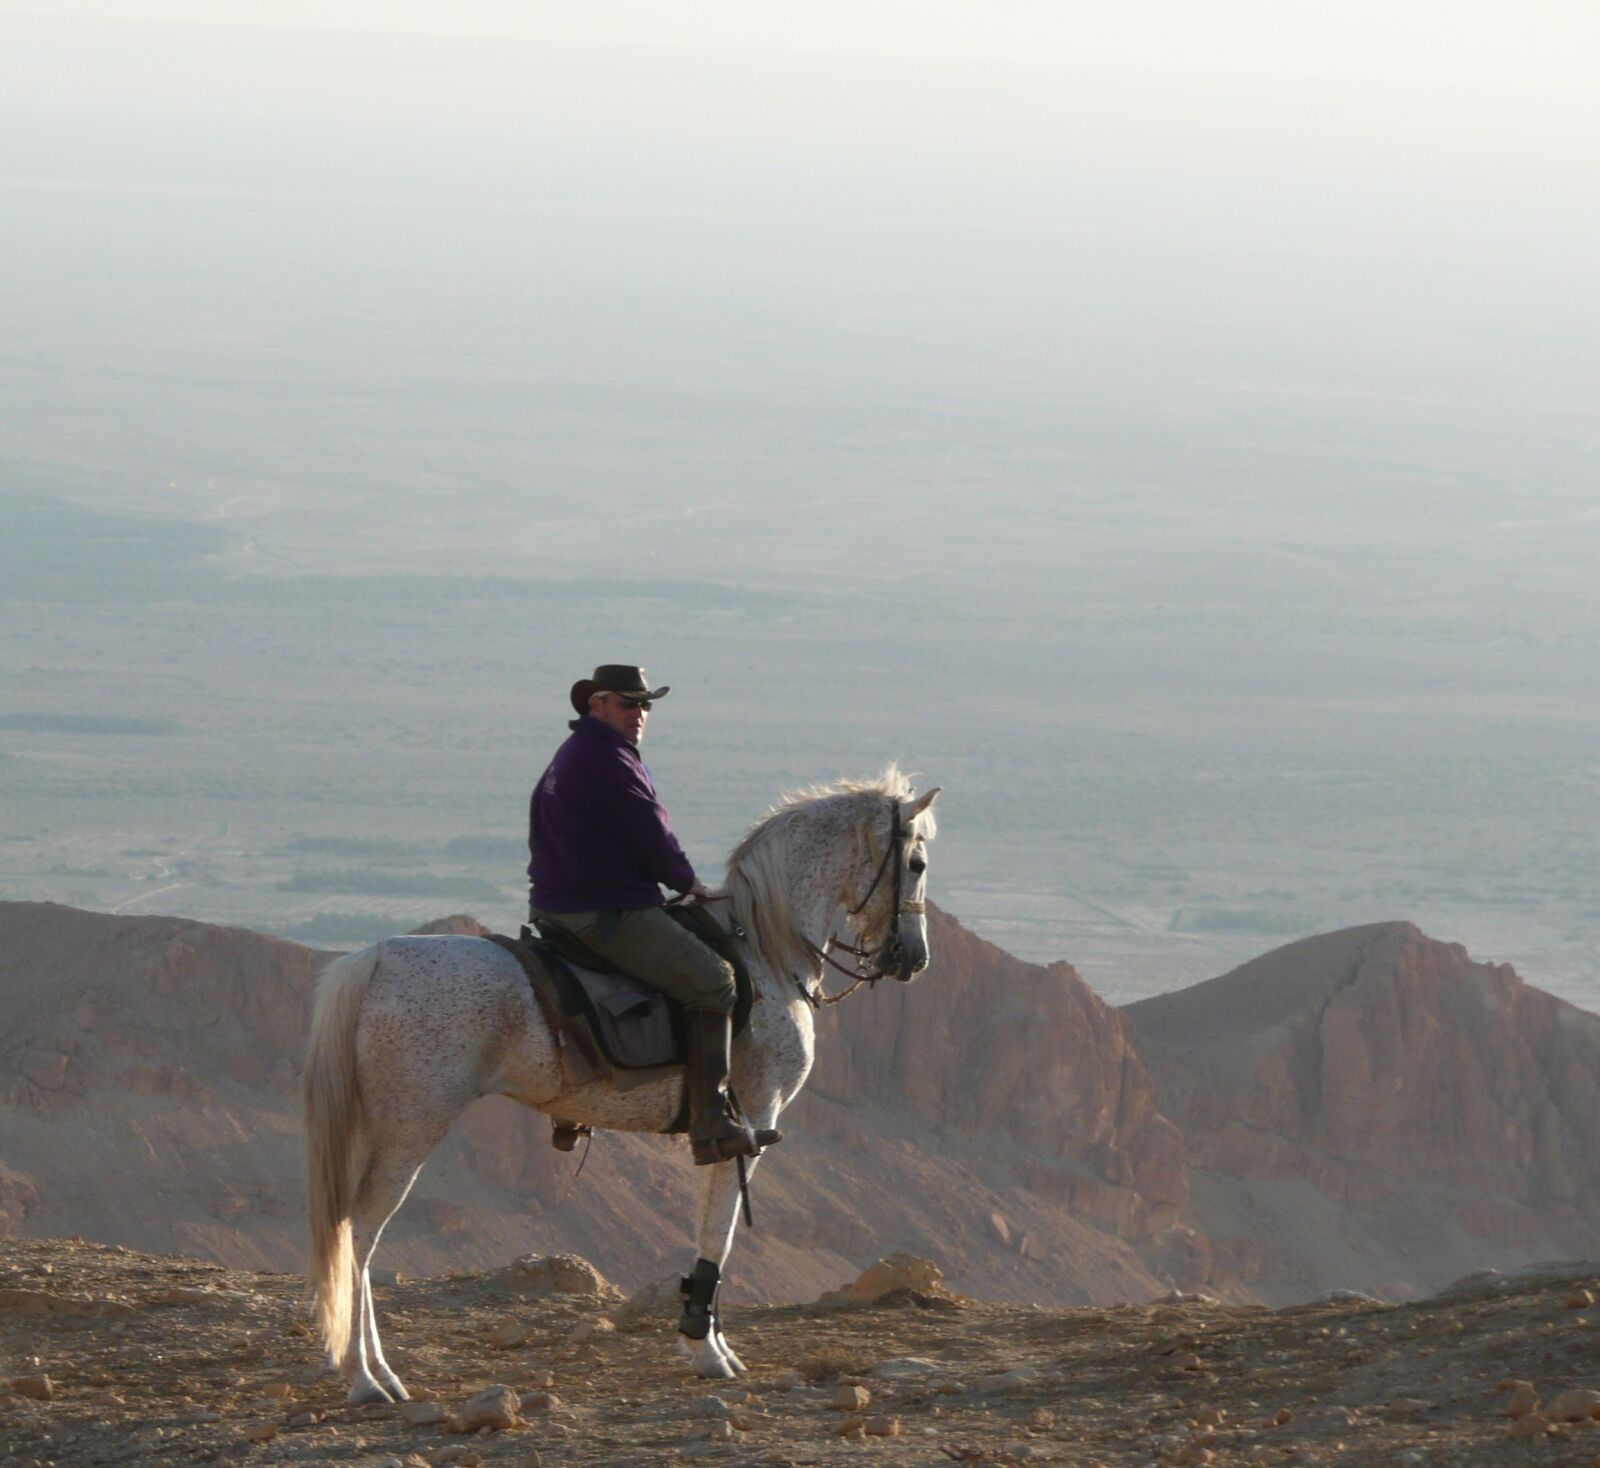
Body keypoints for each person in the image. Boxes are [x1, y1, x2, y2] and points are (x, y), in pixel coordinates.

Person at [527, 664, 778, 1164]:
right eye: (627, 702)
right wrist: (687, 884)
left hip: (558, 906)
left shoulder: (575, 753)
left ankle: (575, 1102)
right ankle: (711, 1123)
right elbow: (650, 832)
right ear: (596, 704)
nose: (639, 713)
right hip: (601, 910)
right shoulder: (607, 759)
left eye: (645, 704)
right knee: (715, 981)